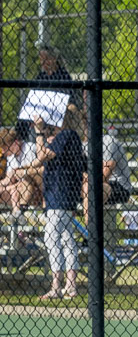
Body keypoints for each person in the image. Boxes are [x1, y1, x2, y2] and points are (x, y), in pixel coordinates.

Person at [24, 109, 85, 299]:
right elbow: (39, 158)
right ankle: (70, 286)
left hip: (61, 194)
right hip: (58, 194)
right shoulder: (65, 138)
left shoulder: (67, 135)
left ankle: (57, 286)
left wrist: (39, 132)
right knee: (66, 239)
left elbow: (42, 156)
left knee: (52, 238)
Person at [1, 127, 42, 217]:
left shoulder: (29, 148)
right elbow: (8, 179)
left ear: (15, 143)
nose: (3, 151)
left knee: (24, 182)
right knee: (12, 189)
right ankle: (17, 214)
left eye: (5, 148)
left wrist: (14, 184)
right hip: (18, 188)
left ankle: (19, 213)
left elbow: (32, 176)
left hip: (35, 188)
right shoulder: (10, 155)